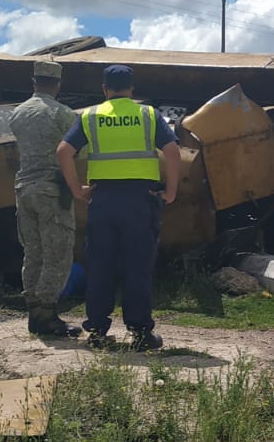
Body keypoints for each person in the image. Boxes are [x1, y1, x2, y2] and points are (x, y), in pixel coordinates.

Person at [56, 65, 181, 352]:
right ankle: (140, 333)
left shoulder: (90, 116)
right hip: (140, 200)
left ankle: (98, 332)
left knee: (101, 265)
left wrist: (77, 190)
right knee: (137, 266)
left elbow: (63, 151)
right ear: (131, 89)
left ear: (105, 89)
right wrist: (171, 191)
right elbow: (173, 151)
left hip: (103, 200)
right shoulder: (148, 115)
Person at [10, 58, 87, 338]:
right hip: (52, 190)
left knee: (33, 252)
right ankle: (47, 314)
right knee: (57, 252)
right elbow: (80, 149)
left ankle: (34, 312)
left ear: (34, 82)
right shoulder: (62, 114)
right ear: (58, 84)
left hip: (23, 188)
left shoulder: (17, 114)